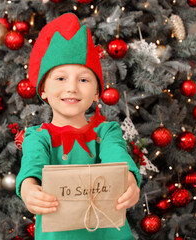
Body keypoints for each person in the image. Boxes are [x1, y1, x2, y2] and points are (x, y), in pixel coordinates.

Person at [16, 13, 140, 240]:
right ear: (43, 89)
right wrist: (29, 190)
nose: (72, 88)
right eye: (61, 78)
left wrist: (130, 181)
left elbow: (118, 158)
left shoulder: (107, 132)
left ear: (96, 93)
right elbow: (31, 168)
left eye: (83, 80)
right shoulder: (37, 137)